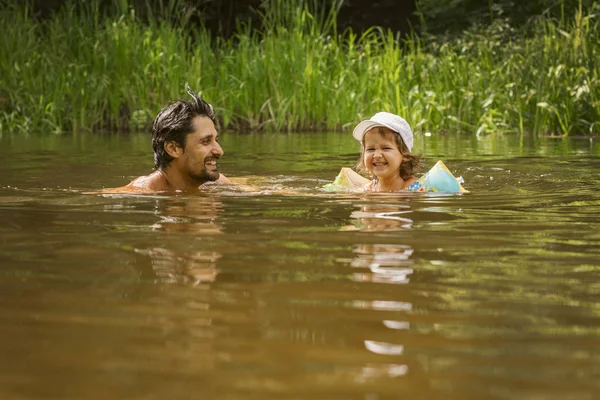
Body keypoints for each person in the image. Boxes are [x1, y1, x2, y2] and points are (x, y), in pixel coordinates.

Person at [108, 87, 232, 193]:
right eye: (206, 141)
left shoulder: (214, 181)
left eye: (216, 140)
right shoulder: (144, 190)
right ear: (173, 149)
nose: (219, 151)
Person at [352, 112, 420, 192]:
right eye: (371, 149)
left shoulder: (414, 187)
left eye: (386, 148)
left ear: (404, 155)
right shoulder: (369, 188)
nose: (377, 155)